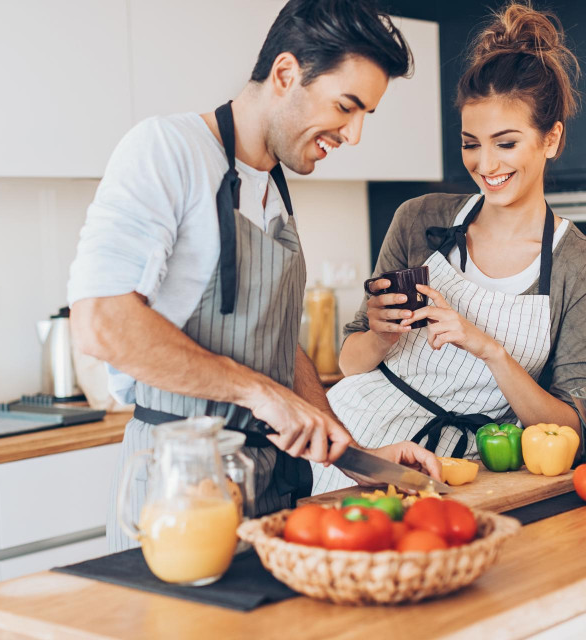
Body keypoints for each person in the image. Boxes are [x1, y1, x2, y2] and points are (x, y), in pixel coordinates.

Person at [67, 0, 442, 552]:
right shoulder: (168, 151)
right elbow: (100, 322)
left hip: (271, 487)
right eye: (346, 106)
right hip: (183, 488)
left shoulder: (273, 187)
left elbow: (275, 347)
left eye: (366, 114)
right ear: (286, 74)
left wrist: (354, 455)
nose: (354, 134)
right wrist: (260, 393)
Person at [313, 1, 586, 495]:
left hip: (463, 467)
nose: (485, 164)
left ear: (551, 139)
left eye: (505, 143)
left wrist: (489, 349)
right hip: (354, 442)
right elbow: (351, 362)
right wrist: (379, 333)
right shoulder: (419, 219)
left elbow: (571, 432)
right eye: (470, 143)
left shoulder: (574, 265)